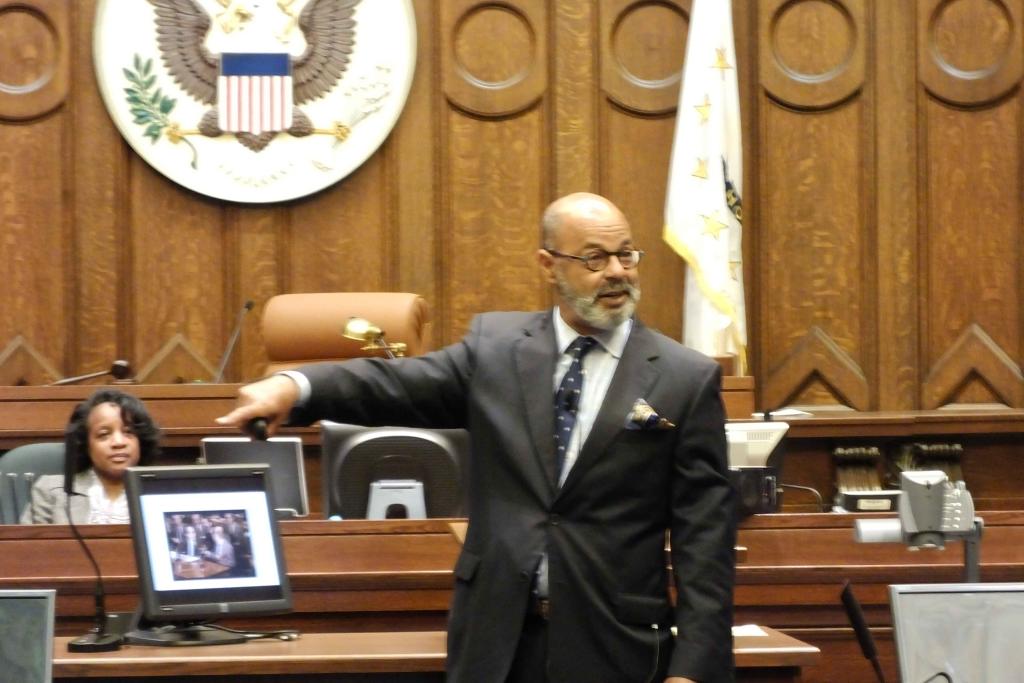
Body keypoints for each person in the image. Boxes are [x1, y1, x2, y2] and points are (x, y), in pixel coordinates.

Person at [217, 192, 736, 683]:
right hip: (497, 642)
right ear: (548, 264)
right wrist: (294, 385)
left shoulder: (682, 378)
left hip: (616, 645)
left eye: (627, 254)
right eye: (595, 259)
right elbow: (394, 385)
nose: (618, 272)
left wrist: (693, 666)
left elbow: (704, 542)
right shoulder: (496, 350)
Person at [22, 388, 160, 524]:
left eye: (128, 432)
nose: (118, 442)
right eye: (104, 435)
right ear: (86, 444)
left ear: (141, 441)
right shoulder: (50, 491)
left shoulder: (162, 492)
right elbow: (28, 545)